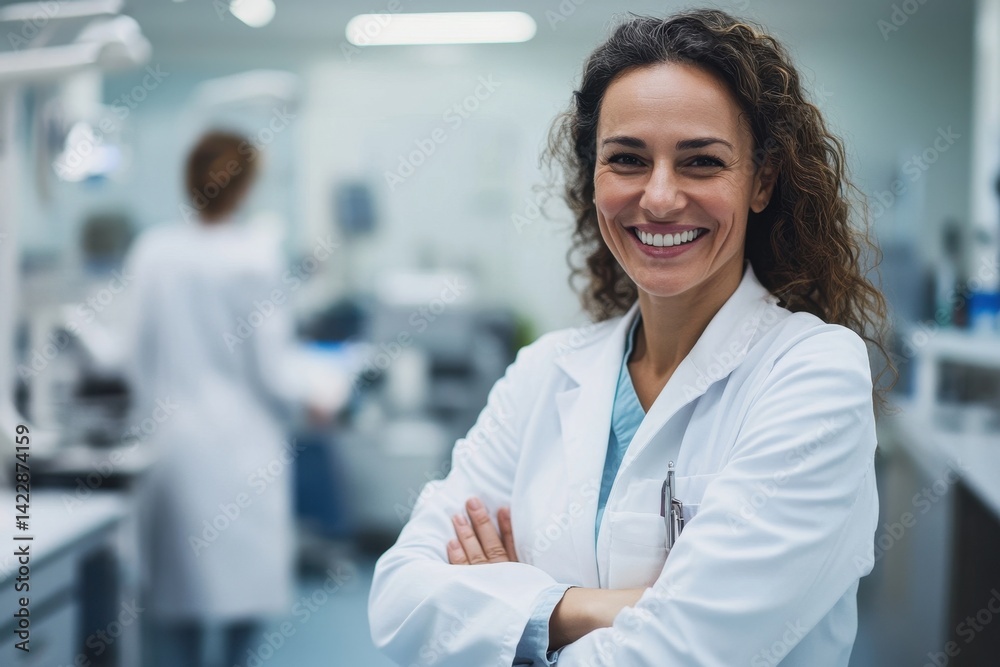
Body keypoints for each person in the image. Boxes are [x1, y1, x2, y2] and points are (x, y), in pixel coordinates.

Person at [368, 8, 898, 666]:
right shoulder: (544, 373)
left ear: (761, 180)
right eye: (627, 159)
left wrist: (509, 609)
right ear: (593, 177)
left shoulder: (813, 374)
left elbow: (678, 652)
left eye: (702, 162)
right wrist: (593, 604)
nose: (660, 197)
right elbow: (398, 601)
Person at [124, 131, 345, 667]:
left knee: (174, 608)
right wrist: (319, 393)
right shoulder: (253, 256)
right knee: (239, 614)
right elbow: (272, 370)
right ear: (244, 188)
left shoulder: (154, 251)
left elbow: (132, 354)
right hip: (241, 453)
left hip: (172, 447)